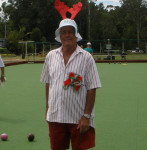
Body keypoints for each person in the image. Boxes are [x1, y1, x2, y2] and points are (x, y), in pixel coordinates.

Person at [41, 1, 101, 150]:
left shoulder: (86, 58)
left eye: (70, 31)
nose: (67, 35)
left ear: (76, 34)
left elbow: (92, 88)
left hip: (78, 118)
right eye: (64, 32)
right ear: (59, 35)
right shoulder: (50, 56)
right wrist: (48, 109)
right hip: (56, 117)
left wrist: (86, 116)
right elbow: (48, 83)